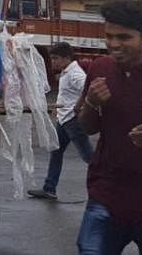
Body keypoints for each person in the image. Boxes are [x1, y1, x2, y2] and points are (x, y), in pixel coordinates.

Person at [75, 0, 142, 255]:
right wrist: (90, 102)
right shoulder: (100, 68)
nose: (114, 44)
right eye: (108, 36)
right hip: (105, 195)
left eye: (124, 37)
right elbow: (86, 128)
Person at [29, 42, 94, 200]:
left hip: (73, 120)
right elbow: (67, 95)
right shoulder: (67, 72)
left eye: (56, 58)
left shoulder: (75, 74)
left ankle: (107, 185)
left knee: (89, 157)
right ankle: (49, 188)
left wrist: (78, 109)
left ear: (67, 58)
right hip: (64, 119)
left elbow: (88, 91)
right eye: (52, 58)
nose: (53, 62)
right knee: (56, 152)